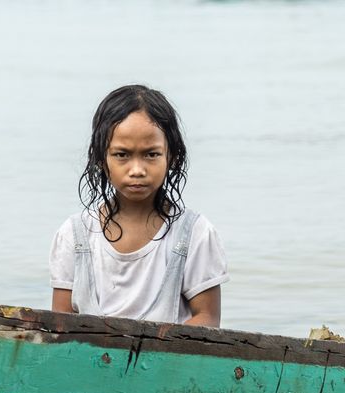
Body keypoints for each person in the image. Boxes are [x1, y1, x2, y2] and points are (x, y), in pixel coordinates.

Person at [49, 85, 228, 327]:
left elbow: (207, 319)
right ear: (102, 159)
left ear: (171, 156)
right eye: (122, 155)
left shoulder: (194, 234)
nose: (137, 170)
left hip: (168, 363)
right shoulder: (75, 235)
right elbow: (60, 324)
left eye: (151, 154)